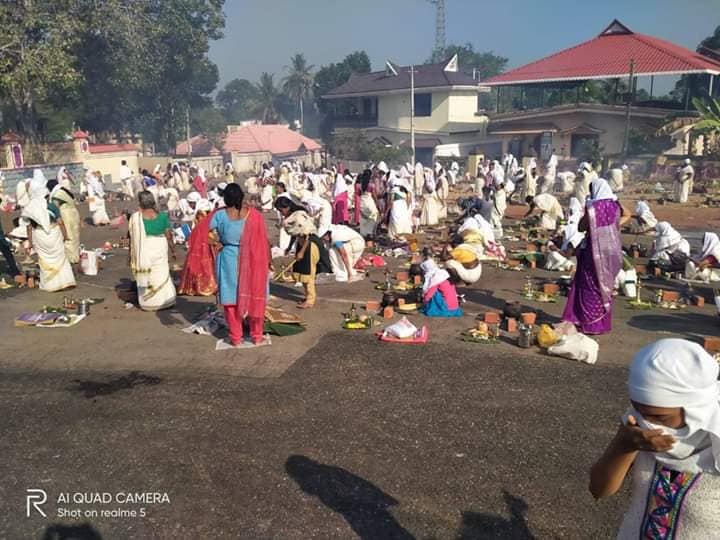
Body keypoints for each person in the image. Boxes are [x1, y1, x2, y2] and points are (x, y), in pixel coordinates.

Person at [589, 339, 720, 538]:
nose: (648, 423)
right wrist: (623, 447)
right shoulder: (636, 422)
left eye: (660, 417)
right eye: (639, 410)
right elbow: (599, 490)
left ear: (696, 409)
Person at [208, 184, 270, 347]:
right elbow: (264, 241)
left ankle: (236, 338)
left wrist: (216, 241)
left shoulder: (220, 215)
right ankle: (257, 336)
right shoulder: (254, 215)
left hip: (229, 258)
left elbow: (202, 232)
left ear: (225, 198)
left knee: (231, 299)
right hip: (252, 258)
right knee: (255, 294)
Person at [561, 179, 625, 335]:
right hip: (612, 251)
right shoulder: (615, 206)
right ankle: (601, 324)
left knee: (589, 285)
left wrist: (588, 208)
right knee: (605, 286)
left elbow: (581, 227)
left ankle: (589, 323)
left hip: (594, 252)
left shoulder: (593, 208)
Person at [22, 179, 75, 292]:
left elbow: (29, 227)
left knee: (45, 259)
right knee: (60, 257)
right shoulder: (51, 206)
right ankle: (66, 282)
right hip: (54, 233)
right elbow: (60, 223)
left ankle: (51, 285)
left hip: (40, 236)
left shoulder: (30, 208)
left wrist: (30, 242)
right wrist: (65, 236)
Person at [128, 191, 176, 311]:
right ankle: (166, 299)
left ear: (140, 203)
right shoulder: (163, 216)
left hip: (145, 247)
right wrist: (173, 250)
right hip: (160, 245)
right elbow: (169, 235)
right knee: (162, 271)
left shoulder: (136, 218)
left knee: (148, 273)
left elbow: (132, 239)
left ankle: (149, 302)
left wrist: (130, 254)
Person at [178, 204, 217, 297]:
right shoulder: (202, 216)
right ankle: (202, 286)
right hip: (202, 244)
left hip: (203, 243)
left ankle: (196, 286)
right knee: (204, 266)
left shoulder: (201, 216)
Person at [292, 228, 332, 309]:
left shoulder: (300, 218)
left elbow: (308, 236)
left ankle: (310, 300)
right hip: (301, 244)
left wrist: (302, 252)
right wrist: (289, 247)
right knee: (301, 272)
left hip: (310, 245)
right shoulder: (290, 219)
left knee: (308, 273)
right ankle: (307, 296)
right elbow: (294, 235)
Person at [50, 186, 81, 264]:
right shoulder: (65, 191)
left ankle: (71, 258)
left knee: (68, 236)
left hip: (66, 214)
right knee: (75, 235)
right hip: (74, 213)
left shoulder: (57, 194)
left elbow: (55, 207)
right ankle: (76, 255)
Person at [359, 172, 379, 238]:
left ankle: (364, 232)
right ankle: (370, 232)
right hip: (369, 201)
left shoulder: (361, 184)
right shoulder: (371, 185)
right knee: (374, 215)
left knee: (364, 217)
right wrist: (377, 203)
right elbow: (374, 195)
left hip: (362, 201)